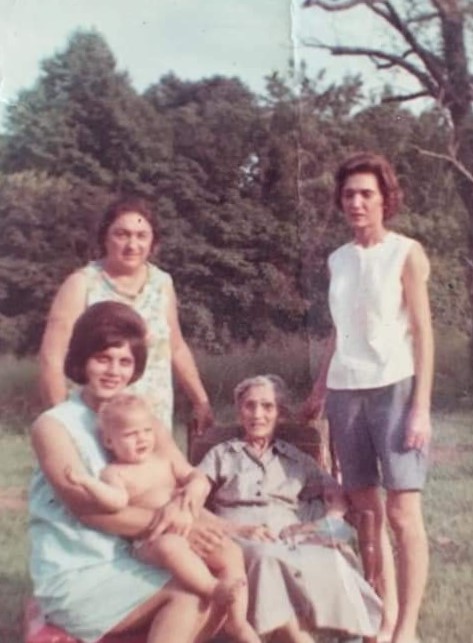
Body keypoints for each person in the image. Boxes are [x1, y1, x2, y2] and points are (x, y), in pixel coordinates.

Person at [29, 301, 226, 643]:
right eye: (102, 359)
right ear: (82, 360)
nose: (113, 371)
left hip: (133, 557)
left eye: (125, 362)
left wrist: (191, 497)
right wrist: (177, 527)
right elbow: (88, 511)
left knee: (216, 583)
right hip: (78, 570)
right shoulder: (54, 425)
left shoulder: (138, 417)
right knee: (193, 592)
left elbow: (188, 475)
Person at [304, 152, 433, 643]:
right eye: (349, 194)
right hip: (345, 391)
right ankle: (385, 613)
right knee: (367, 513)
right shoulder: (338, 259)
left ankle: (408, 627)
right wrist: (320, 387)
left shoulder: (406, 253)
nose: (356, 202)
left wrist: (420, 408)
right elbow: (340, 331)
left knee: (402, 513)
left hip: (395, 387)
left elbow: (423, 333)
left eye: (366, 194)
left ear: (385, 200)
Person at [198, 374, 382, 642]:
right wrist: (238, 529)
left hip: (289, 541)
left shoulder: (297, 460)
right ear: (239, 412)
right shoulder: (222, 455)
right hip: (239, 541)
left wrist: (326, 522)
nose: (257, 414)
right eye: (250, 406)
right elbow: (192, 500)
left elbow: (336, 494)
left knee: (330, 558)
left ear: (279, 414)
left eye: (267, 406)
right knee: (265, 557)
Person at [66, 392, 260, 643]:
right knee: (172, 546)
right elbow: (115, 501)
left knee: (231, 551)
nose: (142, 439)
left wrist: (194, 485)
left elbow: (194, 476)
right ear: (109, 441)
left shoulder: (164, 461)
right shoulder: (115, 473)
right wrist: (87, 483)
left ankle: (237, 620)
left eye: (147, 430)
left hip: (188, 531)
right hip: (151, 541)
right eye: (130, 434)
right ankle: (212, 588)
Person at [38, 196, 212, 433]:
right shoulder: (82, 284)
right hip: (95, 421)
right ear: (105, 238)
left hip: (151, 420)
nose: (132, 245)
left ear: (153, 242)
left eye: (141, 236)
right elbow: (51, 357)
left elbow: (176, 347)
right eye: (122, 234)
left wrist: (200, 401)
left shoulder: (162, 283)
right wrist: (61, 420)